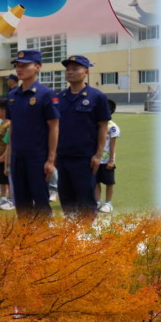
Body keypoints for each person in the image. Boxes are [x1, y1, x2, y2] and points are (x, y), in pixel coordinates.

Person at [5, 50, 60, 216]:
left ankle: (44, 232)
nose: (19, 69)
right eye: (18, 65)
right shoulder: (12, 95)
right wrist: (10, 156)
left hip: (37, 157)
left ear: (38, 67)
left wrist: (51, 159)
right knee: (21, 203)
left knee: (40, 201)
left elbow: (54, 127)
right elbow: (12, 126)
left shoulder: (46, 94)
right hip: (17, 157)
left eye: (25, 65)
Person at [56, 55, 110, 215]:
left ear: (86, 72)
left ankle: (87, 229)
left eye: (75, 69)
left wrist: (98, 155)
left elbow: (103, 126)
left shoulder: (97, 96)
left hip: (85, 158)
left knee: (85, 198)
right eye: (67, 69)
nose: (70, 72)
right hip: (63, 157)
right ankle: (71, 228)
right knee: (66, 197)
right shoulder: (59, 98)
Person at [95, 99, 119, 213]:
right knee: (96, 181)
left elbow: (112, 145)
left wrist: (111, 161)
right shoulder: (95, 125)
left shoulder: (113, 127)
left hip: (107, 160)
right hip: (96, 159)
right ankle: (97, 201)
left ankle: (108, 203)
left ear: (109, 112)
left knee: (109, 182)